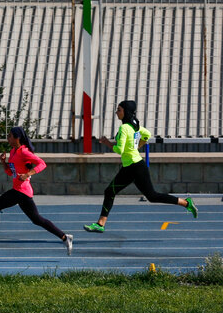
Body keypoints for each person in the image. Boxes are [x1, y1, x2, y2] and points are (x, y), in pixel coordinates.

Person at [83, 100, 197, 233]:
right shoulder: (135, 126)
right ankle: (100, 224)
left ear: (126, 112)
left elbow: (120, 150)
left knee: (145, 195)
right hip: (134, 166)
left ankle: (186, 203)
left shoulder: (125, 128)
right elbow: (147, 134)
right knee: (147, 196)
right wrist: (137, 147)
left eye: (119, 110)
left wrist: (107, 143)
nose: (116, 112)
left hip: (134, 167)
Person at [0, 127, 73, 254]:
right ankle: (65, 237)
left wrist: (28, 174)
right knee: (37, 219)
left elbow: (42, 164)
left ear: (17, 138)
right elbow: (10, 172)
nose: (8, 137)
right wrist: (3, 162)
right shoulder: (13, 152)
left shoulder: (24, 152)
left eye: (10, 135)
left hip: (21, 190)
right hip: (20, 191)